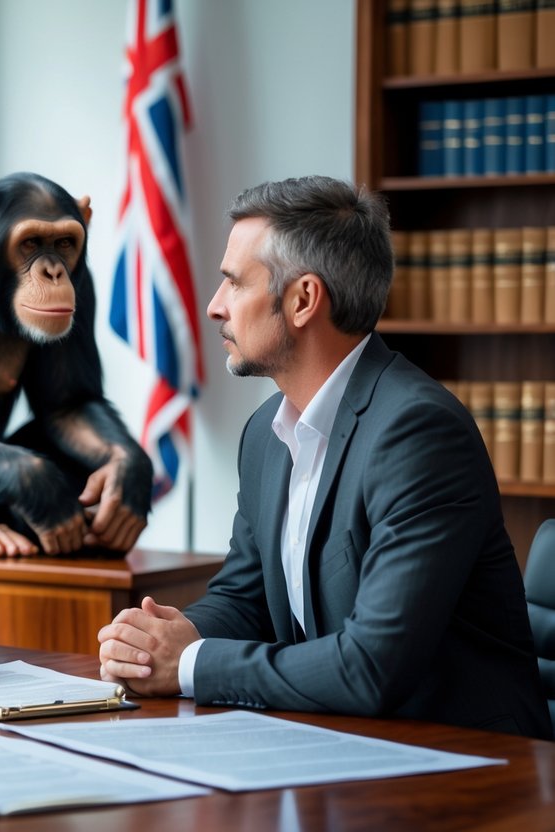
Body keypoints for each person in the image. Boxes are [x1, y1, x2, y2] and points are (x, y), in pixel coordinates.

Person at [97, 175, 552, 739]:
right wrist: (161, 638)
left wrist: (189, 665)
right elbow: (245, 600)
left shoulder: (418, 432)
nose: (215, 307)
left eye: (233, 284)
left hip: (471, 764)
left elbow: (372, 665)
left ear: (304, 299)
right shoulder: (265, 432)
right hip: (342, 744)